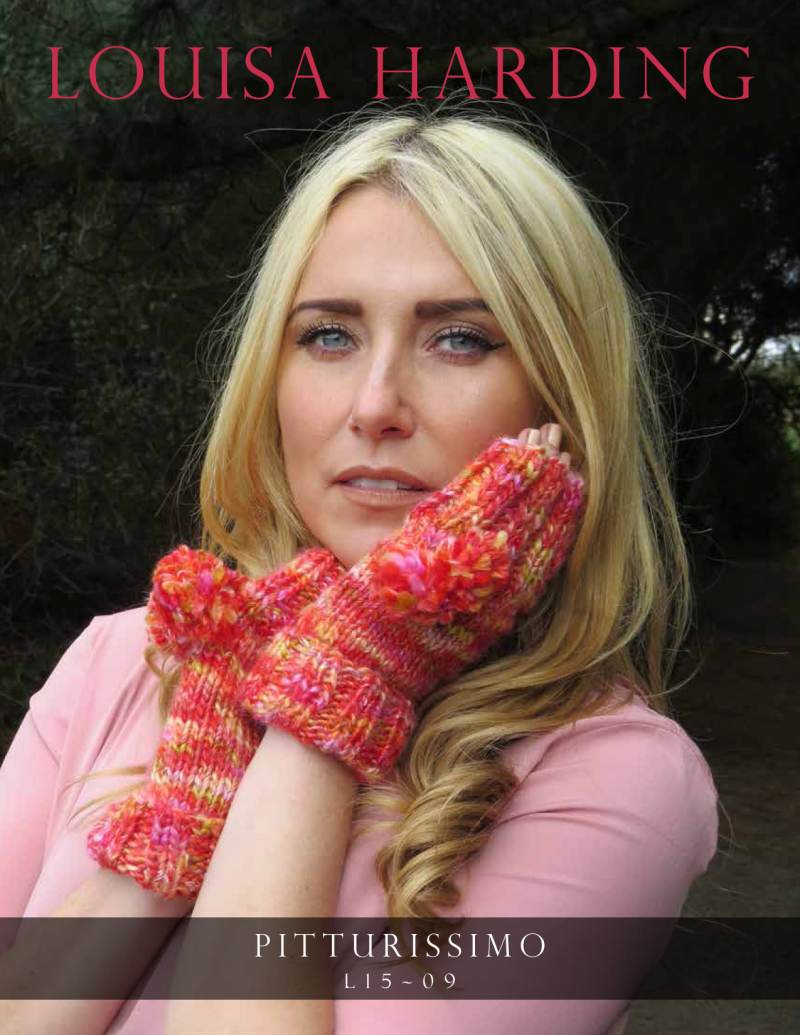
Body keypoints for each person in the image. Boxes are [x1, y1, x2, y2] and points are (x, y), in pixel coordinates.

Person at [0, 104, 719, 1034]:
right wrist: (176, 831)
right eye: (329, 336)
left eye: (460, 338)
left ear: (562, 396)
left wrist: (338, 687)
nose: (375, 403)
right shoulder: (124, 662)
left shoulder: (612, 774)